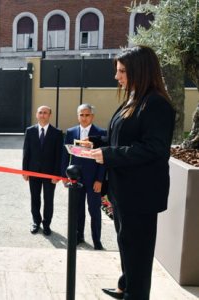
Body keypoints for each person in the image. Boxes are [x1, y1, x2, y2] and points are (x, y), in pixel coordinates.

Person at [88, 46, 175, 299]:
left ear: (140, 70)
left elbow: (154, 149)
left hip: (141, 195)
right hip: (123, 191)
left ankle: (135, 294)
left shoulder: (156, 104)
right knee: (126, 245)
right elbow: (120, 136)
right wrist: (94, 143)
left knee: (138, 253)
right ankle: (125, 286)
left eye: (122, 71)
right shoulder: (134, 98)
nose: (117, 77)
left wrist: (109, 155)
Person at [61, 103, 106, 250]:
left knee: (94, 210)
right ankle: (79, 236)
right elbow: (65, 156)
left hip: (93, 179)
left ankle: (97, 240)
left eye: (87, 115)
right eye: (81, 115)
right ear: (78, 116)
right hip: (76, 179)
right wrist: (64, 175)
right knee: (78, 210)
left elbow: (103, 159)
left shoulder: (101, 133)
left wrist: (100, 179)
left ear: (92, 116)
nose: (84, 118)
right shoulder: (71, 132)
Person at [22, 105, 63, 236]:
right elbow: (26, 152)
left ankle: (46, 224)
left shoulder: (57, 133)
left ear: (50, 115)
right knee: (35, 198)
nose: (42, 115)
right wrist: (25, 171)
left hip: (50, 173)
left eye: (45, 113)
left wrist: (57, 174)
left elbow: (59, 156)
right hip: (33, 172)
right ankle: (36, 222)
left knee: (48, 200)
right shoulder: (30, 131)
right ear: (36, 115)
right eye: (40, 112)